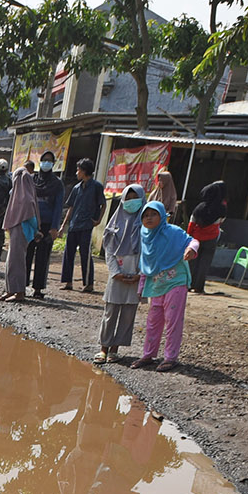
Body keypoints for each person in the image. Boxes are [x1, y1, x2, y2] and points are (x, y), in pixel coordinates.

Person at [130, 200, 199, 373]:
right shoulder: (146, 236)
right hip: (156, 285)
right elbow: (146, 264)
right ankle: (148, 355)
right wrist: (141, 287)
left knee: (172, 321)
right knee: (153, 322)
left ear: (162, 216)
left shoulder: (173, 232)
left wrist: (191, 250)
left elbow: (193, 241)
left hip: (176, 281)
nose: (149, 218)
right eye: (146, 215)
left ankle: (170, 358)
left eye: (154, 214)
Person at [95, 183, 145, 364]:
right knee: (110, 313)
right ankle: (104, 348)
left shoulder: (146, 226)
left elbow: (149, 253)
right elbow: (109, 251)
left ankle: (115, 349)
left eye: (135, 198)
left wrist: (141, 274)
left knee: (128, 315)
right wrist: (115, 272)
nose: (131, 202)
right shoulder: (114, 223)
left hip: (136, 276)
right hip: (116, 276)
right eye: (127, 198)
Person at [58, 157, 106, 292]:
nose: (76, 173)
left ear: (84, 171)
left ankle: (89, 284)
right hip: (74, 225)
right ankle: (68, 282)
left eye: (78, 170)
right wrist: (63, 226)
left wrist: (98, 220)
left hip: (86, 225)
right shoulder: (76, 188)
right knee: (68, 254)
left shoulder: (96, 187)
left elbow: (103, 204)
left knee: (85, 254)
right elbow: (71, 207)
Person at [28, 150, 64, 298]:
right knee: (27, 254)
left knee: (42, 257)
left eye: (49, 160)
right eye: (44, 160)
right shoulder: (32, 179)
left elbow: (58, 206)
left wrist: (55, 227)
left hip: (47, 225)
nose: (46, 163)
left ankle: (38, 288)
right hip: (31, 223)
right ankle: (21, 285)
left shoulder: (57, 184)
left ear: (53, 164)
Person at [0, 166, 39, 302]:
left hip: (23, 230)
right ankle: (10, 289)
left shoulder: (26, 198)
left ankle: (20, 292)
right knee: (11, 261)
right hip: (17, 230)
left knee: (17, 261)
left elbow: (31, 216)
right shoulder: (18, 195)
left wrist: (36, 230)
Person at [186, 180, 226, 294]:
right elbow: (220, 222)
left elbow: (191, 224)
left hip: (196, 239)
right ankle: (199, 287)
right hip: (211, 239)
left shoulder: (199, 208)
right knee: (204, 264)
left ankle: (188, 284)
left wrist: (189, 236)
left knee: (192, 262)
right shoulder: (222, 208)